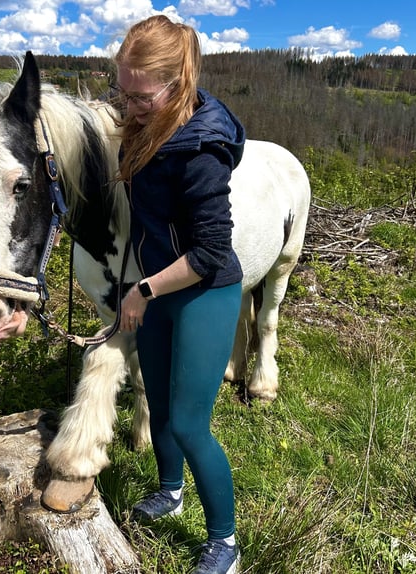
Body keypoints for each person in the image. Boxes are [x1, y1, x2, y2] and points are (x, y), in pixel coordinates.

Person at [115, 15, 245, 574]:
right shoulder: (148, 121)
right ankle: (170, 492)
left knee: (191, 424)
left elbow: (211, 252)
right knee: (160, 407)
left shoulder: (202, 148)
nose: (129, 105)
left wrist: (142, 289)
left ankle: (226, 543)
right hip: (159, 286)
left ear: (177, 84)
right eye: (123, 91)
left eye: (141, 97)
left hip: (204, 292)